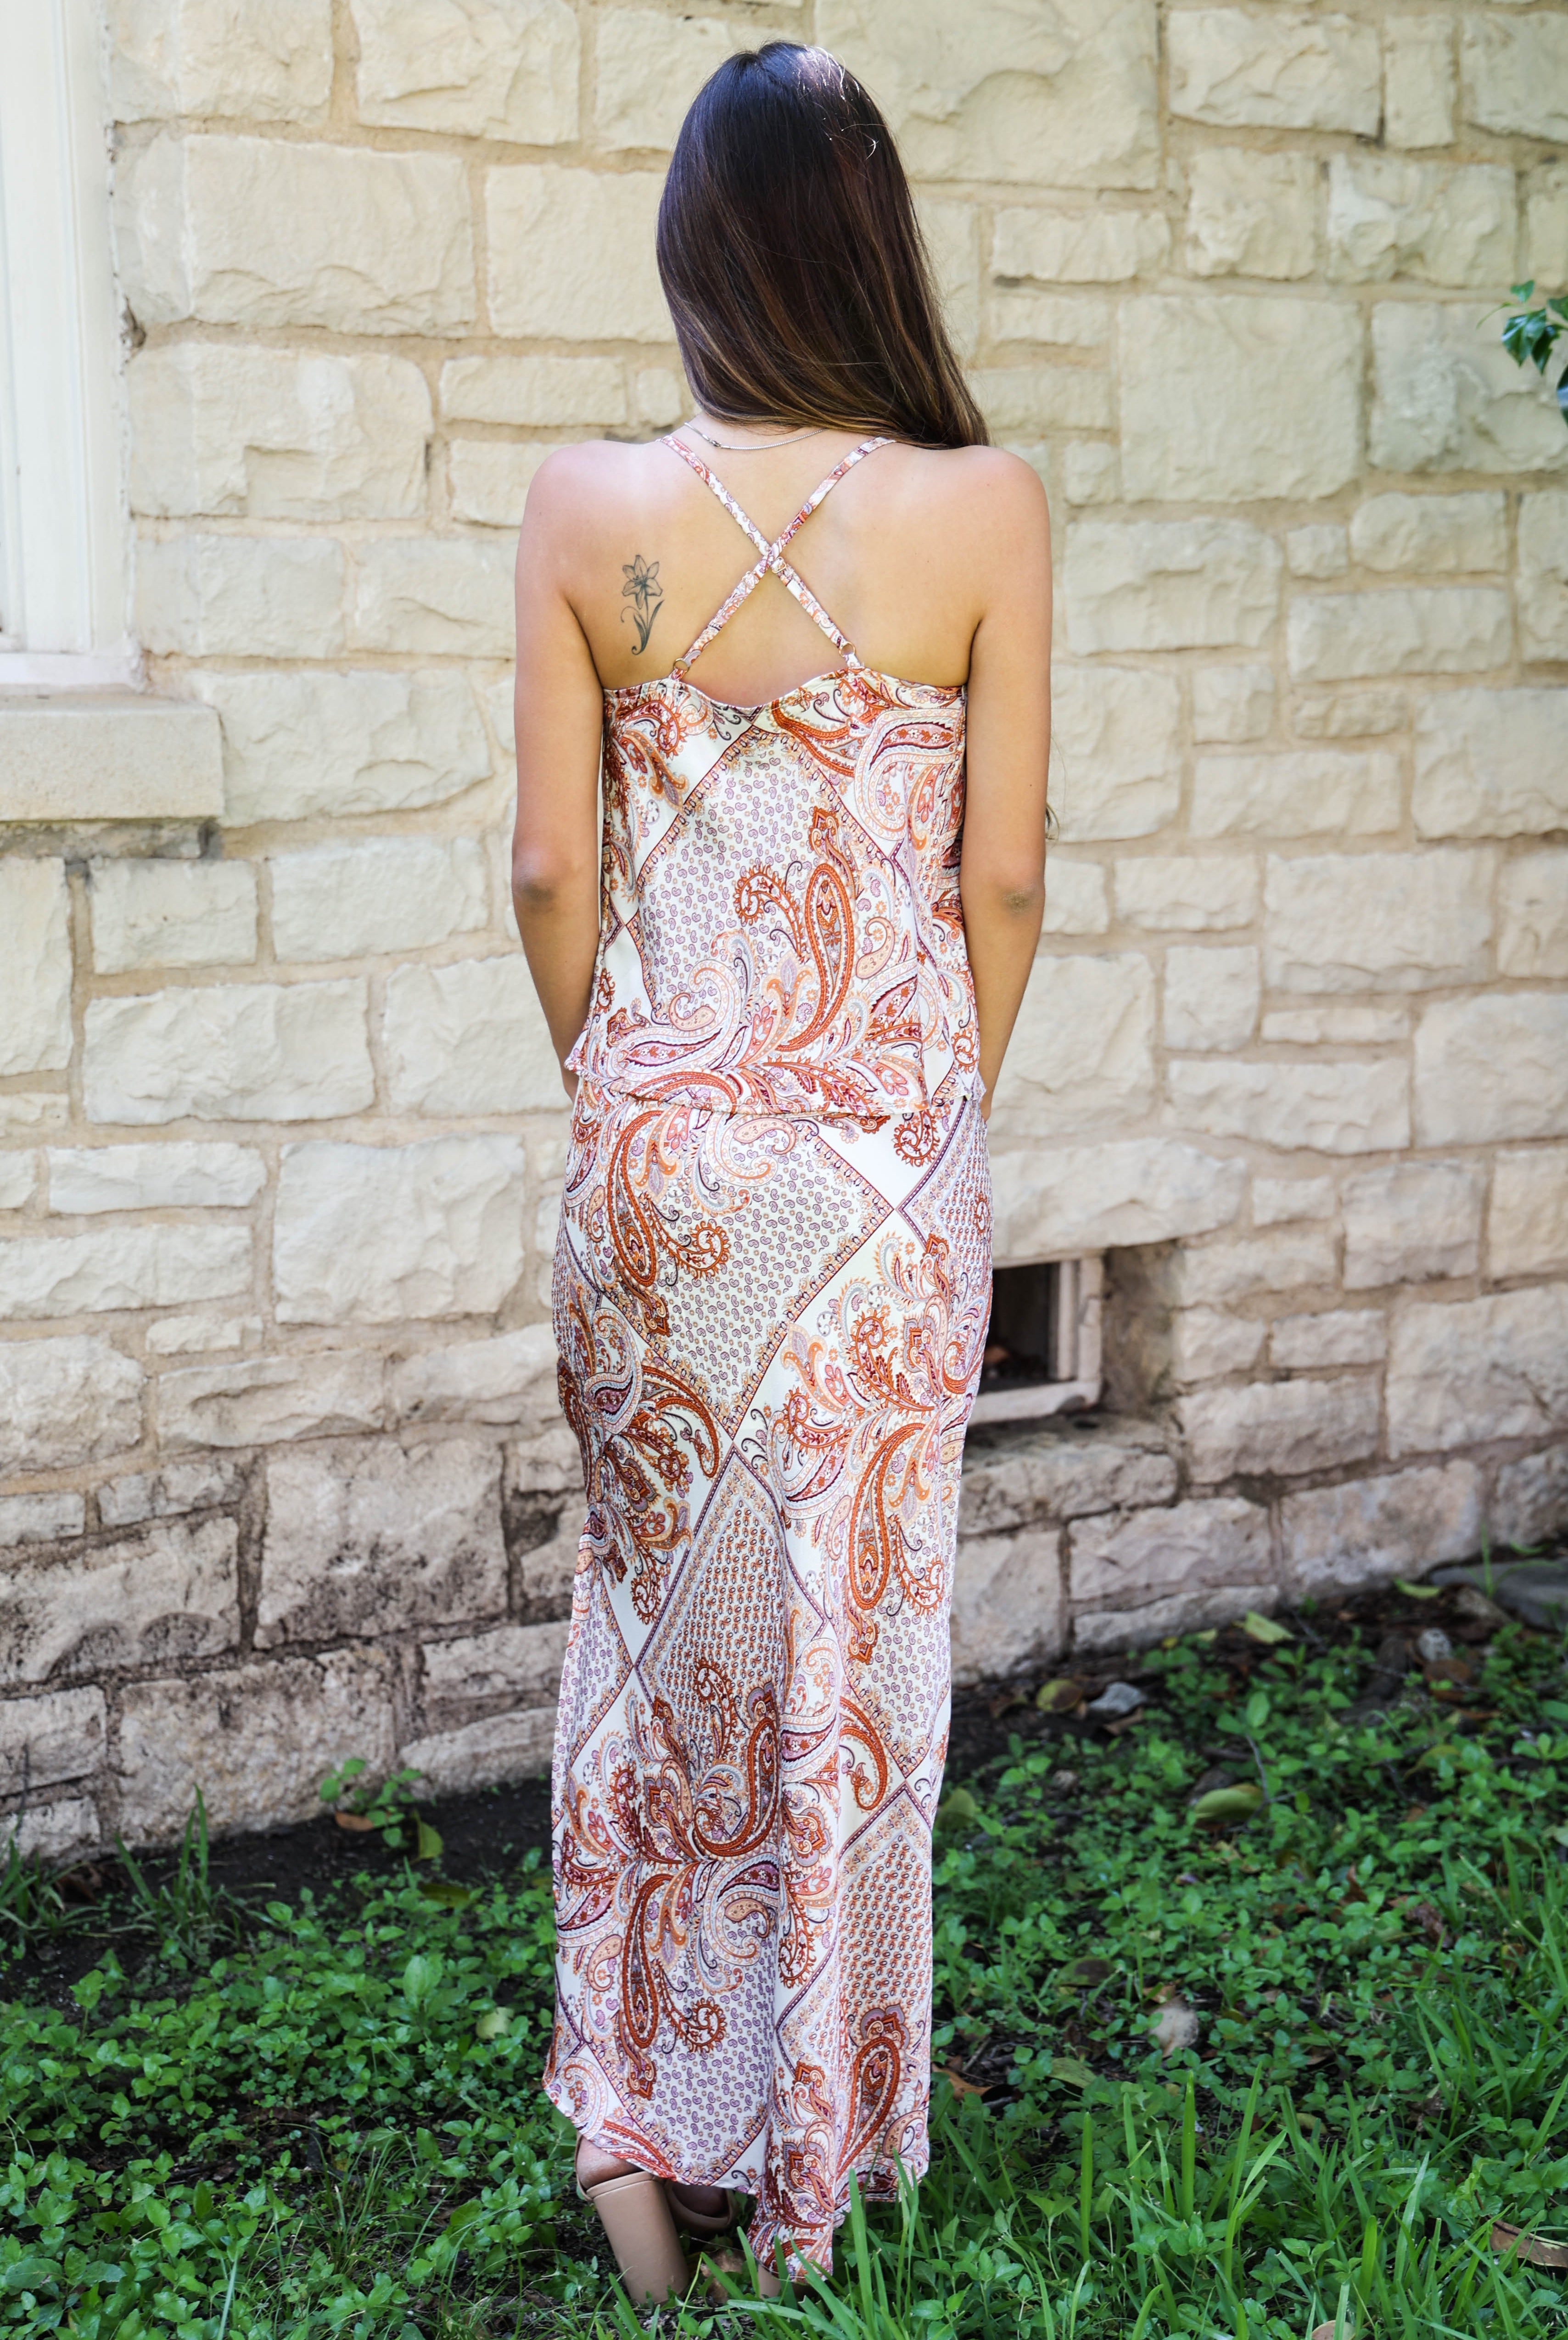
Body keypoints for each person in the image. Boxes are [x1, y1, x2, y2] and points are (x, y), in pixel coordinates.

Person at [510, 38, 1051, 2304]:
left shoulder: (581, 509)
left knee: (654, 1654)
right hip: (879, 1178)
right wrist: (923, 1123)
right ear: (871, 247)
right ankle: (811, 2178)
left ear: (694, 254)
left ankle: (635, 2149)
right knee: (844, 1678)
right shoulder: (985, 508)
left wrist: (623, 1089)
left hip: (652, 1165)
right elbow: (998, 880)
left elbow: (549, 869)